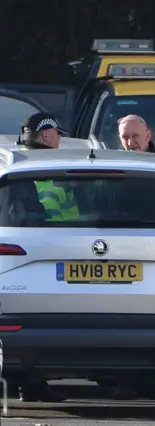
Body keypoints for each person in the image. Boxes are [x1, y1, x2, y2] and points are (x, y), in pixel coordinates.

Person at [13, 113, 70, 402]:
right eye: (57, 133)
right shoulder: (46, 169)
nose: (60, 139)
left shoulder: (16, 163)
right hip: (53, 248)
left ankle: (28, 384)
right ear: (46, 135)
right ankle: (31, 385)